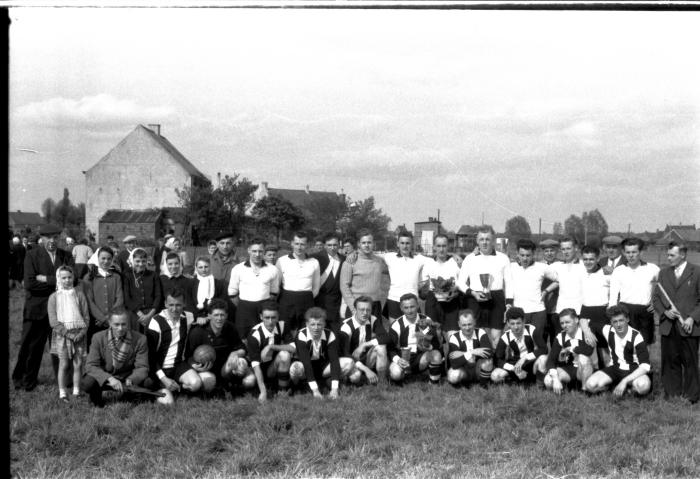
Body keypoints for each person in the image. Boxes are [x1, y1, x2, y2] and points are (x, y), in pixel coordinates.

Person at [12, 224, 73, 391]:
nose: (51, 241)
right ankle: (25, 381)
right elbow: (30, 284)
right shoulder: (32, 255)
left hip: (61, 311)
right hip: (37, 310)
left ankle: (65, 381)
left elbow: (71, 281)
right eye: (48, 238)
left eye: (55, 237)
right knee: (31, 347)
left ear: (59, 238)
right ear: (42, 239)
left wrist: (45, 279)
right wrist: (58, 282)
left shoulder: (66, 256)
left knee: (62, 348)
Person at [653, 241, 700, 403]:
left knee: (690, 362)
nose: (668, 258)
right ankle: (672, 394)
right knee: (670, 361)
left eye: (672, 255)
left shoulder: (697, 272)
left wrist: (692, 318)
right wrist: (665, 312)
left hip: (688, 327)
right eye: (667, 254)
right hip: (668, 326)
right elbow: (656, 298)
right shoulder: (663, 273)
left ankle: (691, 396)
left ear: (683, 254)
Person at [145, 288, 207, 403]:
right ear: (165, 304)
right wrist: (164, 379)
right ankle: (161, 389)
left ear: (184, 304)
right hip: (159, 368)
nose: (174, 309)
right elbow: (150, 356)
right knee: (168, 403)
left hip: (179, 365)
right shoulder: (156, 322)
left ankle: (178, 387)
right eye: (171, 305)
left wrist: (203, 318)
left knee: (196, 384)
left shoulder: (188, 317)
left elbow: (203, 316)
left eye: (178, 305)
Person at [81, 308, 150, 407]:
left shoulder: (140, 339)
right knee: (87, 383)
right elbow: (91, 365)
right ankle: (96, 400)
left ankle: (131, 397)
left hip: (127, 377)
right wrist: (109, 378)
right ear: (110, 323)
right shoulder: (98, 337)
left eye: (124, 324)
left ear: (128, 323)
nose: (120, 328)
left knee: (148, 382)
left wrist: (131, 379)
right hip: (107, 377)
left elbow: (142, 367)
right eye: (116, 324)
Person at [456, 226, 513, 346]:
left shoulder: (503, 258)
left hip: (496, 298)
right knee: (476, 335)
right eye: (481, 239)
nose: (485, 242)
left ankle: (496, 363)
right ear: (477, 241)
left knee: (495, 336)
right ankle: (479, 363)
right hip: (475, 298)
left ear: (493, 240)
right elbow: (460, 282)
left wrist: (508, 303)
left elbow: (509, 283)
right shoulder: (470, 258)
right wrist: (472, 293)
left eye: (487, 239)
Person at [185, 298, 250, 396]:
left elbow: (242, 348)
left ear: (226, 316)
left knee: (242, 363)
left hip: (224, 368)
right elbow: (187, 355)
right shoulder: (198, 332)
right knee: (209, 382)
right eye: (216, 315)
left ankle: (234, 386)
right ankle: (207, 391)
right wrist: (194, 364)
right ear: (209, 316)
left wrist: (235, 353)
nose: (219, 318)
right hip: (207, 368)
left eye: (222, 315)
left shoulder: (230, 328)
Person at [583, 305, 652, 397]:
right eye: (615, 322)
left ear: (627, 319)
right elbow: (590, 323)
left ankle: (628, 387)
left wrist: (625, 381)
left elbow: (645, 366)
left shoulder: (637, 336)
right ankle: (610, 387)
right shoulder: (608, 330)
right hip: (614, 369)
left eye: (621, 320)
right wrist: (588, 333)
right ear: (611, 322)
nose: (618, 324)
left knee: (643, 386)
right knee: (590, 385)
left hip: (633, 369)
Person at [290, 307, 351, 399]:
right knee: (295, 368)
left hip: (322, 367)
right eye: (312, 324)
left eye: (319, 324)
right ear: (307, 324)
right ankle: (298, 387)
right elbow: (307, 364)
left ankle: (329, 383)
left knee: (348, 362)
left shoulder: (330, 335)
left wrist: (335, 389)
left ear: (324, 324)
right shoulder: (301, 335)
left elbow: (334, 361)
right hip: (305, 367)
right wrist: (315, 391)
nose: (316, 328)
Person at [48, 266, 89, 401]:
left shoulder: (79, 295)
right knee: (64, 364)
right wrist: (68, 334)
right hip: (63, 335)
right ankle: (62, 393)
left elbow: (86, 317)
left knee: (78, 364)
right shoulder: (54, 297)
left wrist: (82, 332)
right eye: (63, 278)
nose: (67, 280)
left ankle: (76, 391)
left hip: (79, 335)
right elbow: (53, 321)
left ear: (73, 278)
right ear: (59, 279)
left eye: (69, 277)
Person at [608, 237, 659, 345]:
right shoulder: (619, 271)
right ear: (623, 253)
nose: (631, 255)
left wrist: (656, 303)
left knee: (644, 346)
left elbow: (664, 287)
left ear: (640, 252)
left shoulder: (652, 269)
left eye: (634, 252)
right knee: (626, 346)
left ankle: (644, 362)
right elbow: (613, 296)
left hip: (645, 312)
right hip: (625, 311)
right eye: (628, 252)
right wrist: (613, 316)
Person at [228, 238, 280, 340]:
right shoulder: (238, 269)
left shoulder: (273, 269)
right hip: (244, 309)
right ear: (248, 251)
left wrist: (263, 306)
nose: (257, 254)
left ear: (264, 252)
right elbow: (232, 293)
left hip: (264, 308)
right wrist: (245, 305)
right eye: (254, 251)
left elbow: (274, 292)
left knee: (264, 337)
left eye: (260, 251)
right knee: (243, 338)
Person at [245, 301, 295, 402]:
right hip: (259, 369)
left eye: (274, 317)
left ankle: (282, 392)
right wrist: (263, 392)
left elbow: (293, 348)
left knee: (284, 355)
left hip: (273, 367)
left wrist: (271, 347)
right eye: (267, 317)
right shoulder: (254, 334)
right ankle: (261, 388)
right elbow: (255, 365)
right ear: (261, 317)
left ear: (278, 316)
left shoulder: (282, 326)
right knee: (248, 381)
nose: (271, 321)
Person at [387, 293, 442, 385]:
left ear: (417, 305)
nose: (409, 311)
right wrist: (398, 360)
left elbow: (437, 342)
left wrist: (430, 347)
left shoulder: (427, 320)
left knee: (436, 354)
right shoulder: (396, 325)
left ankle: (433, 383)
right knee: (396, 374)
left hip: (420, 358)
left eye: (412, 306)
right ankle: (401, 376)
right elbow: (390, 348)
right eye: (406, 307)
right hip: (403, 358)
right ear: (401, 308)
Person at [509, 238, 553, 349]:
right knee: (520, 345)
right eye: (522, 255)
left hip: (537, 312)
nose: (525, 258)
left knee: (537, 344)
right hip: (519, 312)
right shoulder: (511, 267)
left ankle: (539, 366)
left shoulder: (542, 267)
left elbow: (559, 280)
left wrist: (547, 290)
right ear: (517, 254)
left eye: (528, 255)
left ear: (533, 254)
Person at [276, 231, 320, 336]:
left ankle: (302, 351)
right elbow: (276, 285)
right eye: (296, 244)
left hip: (307, 300)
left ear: (307, 245)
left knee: (305, 333)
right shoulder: (282, 261)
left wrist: (306, 297)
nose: (299, 247)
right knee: (285, 331)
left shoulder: (314, 262)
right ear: (292, 243)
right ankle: (285, 351)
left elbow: (316, 287)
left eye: (302, 244)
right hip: (286, 300)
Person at [339, 296, 390, 386]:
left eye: (368, 310)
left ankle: (382, 381)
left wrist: (365, 345)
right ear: (355, 310)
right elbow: (344, 353)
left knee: (381, 347)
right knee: (355, 378)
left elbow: (386, 337)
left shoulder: (373, 319)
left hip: (366, 357)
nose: (365, 313)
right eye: (361, 310)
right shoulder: (346, 326)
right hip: (351, 360)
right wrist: (365, 369)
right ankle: (360, 377)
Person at [540, 309, 594, 394]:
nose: (564, 325)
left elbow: (588, 351)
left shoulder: (586, 333)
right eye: (562, 323)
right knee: (548, 381)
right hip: (569, 369)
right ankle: (565, 386)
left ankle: (584, 390)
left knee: (583, 358)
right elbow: (551, 361)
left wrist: (571, 349)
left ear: (576, 320)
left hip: (585, 368)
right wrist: (555, 378)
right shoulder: (560, 336)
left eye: (567, 322)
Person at [339, 229, 388, 321]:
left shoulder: (379, 261)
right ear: (358, 244)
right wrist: (354, 308)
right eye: (363, 242)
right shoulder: (350, 262)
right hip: (357, 306)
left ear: (373, 243)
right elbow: (344, 287)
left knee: (375, 335)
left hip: (375, 306)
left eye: (369, 242)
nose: (366, 245)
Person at [421, 234, 462, 345]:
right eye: (438, 246)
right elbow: (423, 290)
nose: (441, 249)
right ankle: (436, 360)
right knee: (432, 335)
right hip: (433, 302)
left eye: (444, 246)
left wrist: (455, 292)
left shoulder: (455, 262)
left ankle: (452, 360)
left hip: (452, 301)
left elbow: (462, 284)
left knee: (453, 337)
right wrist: (422, 288)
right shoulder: (428, 263)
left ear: (448, 246)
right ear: (434, 247)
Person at [543, 237, 586, 340]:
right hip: (561, 311)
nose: (566, 252)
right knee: (561, 343)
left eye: (568, 248)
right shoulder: (557, 266)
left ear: (576, 248)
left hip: (579, 311)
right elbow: (557, 281)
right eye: (563, 249)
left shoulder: (584, 265)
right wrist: (546, 291)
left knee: (580, 342)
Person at [491, 307, 548, 385]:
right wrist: (513, 369)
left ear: (524, 321)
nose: (516, 327)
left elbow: (544, 349)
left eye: (518, 323)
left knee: (543, 358)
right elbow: (497, 359)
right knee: (495, 376)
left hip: (530, 363)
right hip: (515, 365)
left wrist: (525, 358)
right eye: (512, 324)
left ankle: (540, 385)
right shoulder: (505, 336)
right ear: (507, 323)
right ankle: (514, 380)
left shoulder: (532, 330)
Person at [383, 232, 430, 322]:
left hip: (412, 301)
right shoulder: (389, 257)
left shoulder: (419, 259)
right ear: (398, 244)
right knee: (395, 330)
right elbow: (372, 256)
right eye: (402, 243)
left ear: (412, 244)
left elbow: (436, 259)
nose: (405, 246)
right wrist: (353, 254)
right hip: (394, 300)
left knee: (416, 330)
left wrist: (454, 256)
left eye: (408, 243)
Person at [84, 247, 124, 347]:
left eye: (109, 259)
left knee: (113, 348)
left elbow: (119, 298)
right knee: (95, 347)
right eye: (103, 258)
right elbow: (89, 301)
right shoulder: (89, 277)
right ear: (98, 258)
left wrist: (109, 317)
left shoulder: (116, 277)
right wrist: (102, 318)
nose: (106, 261)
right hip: (95, 321)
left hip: (113, 320)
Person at [579, 245, 611, 367]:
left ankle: (610, 377)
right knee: (588, 349)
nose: (588, 262)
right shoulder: (581, 273)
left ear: (598, 259)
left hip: (603, 314)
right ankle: (591, 377)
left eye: (591, 259)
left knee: (604, 349)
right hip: (586, 314)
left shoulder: (606, 274)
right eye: (585, 259)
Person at [309, 232, 346, 334]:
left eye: (335, 245)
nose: (332, 248)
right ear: (325, 245)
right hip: (318, 302)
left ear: (339, 245)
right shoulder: (315, 258)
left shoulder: (344, 260)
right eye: (329, 245)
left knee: (334, 334)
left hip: (335, 303)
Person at [446, 309, 493, 387]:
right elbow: (454, 363)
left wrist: (463, 354)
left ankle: (483, 385)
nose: (467, 328)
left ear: (474, 322)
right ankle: (464, 383)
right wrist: (471, 353)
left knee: (488, 361)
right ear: (459, 324)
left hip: (478, 369)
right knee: (452, 376)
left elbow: (489, 353)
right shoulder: (454, 337)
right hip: (464, 370)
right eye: (464, 325)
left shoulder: (481, 332)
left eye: (469, 324)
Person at [122, 247, 162, 332]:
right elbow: (127, 298)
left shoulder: (153, 275)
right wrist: (140, 314)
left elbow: (158, 295)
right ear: (132, 260)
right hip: (134, 313)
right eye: (137, 261)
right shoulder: (127, 275)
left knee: (151, 338)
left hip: (151, 313)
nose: (140, 264)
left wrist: (149, 315)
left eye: (143, 261)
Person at [159, 252, 196, 317]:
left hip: (182, 314)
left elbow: (188, 300)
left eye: (176, 263)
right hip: (165, 314)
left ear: (180, 264)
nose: (173, 266)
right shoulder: (160, 279)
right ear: (166, 265)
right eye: (170, 264)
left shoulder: (187, 281)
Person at [539, 238, 561, 345]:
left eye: (552, 251)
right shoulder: (538, 266)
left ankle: (556, 360)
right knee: (541, 336)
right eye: (546, 251)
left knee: (556, 336)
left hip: (555, 307)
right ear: (542, 252)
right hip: (541, 307)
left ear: (556, 251)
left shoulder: (561, 265)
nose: (549, 253)